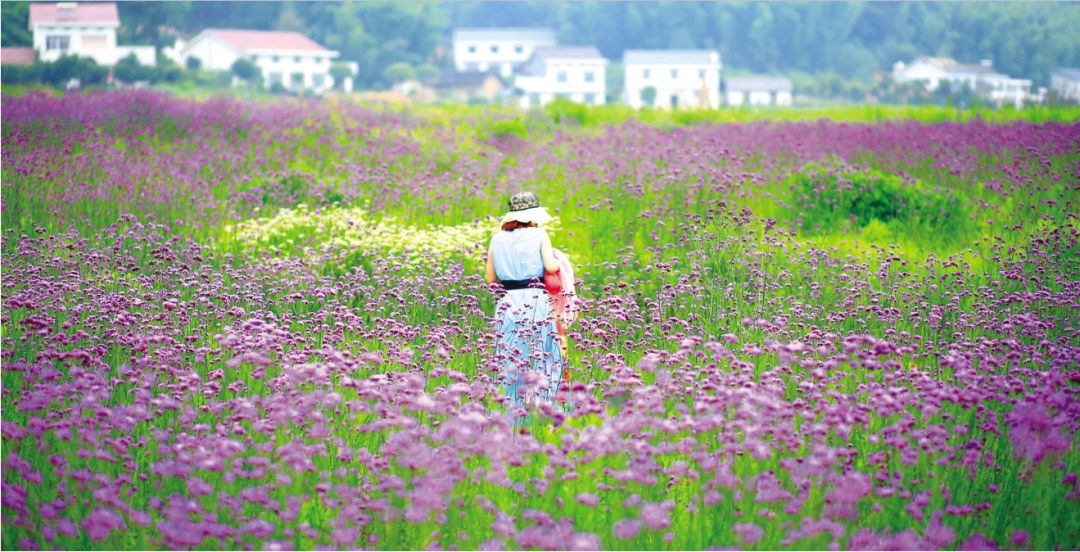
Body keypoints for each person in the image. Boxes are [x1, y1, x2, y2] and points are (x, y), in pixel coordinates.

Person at [485, 191, 565, 413]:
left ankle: (511, 412)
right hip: (535, 301)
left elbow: (491, 278)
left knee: (510, 357)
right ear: (533, 215)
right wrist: (561, 261)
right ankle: (544, 410)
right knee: (543, 356)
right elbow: (550, 267)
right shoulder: (539, 235)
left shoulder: (496, 238)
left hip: (508, 302)